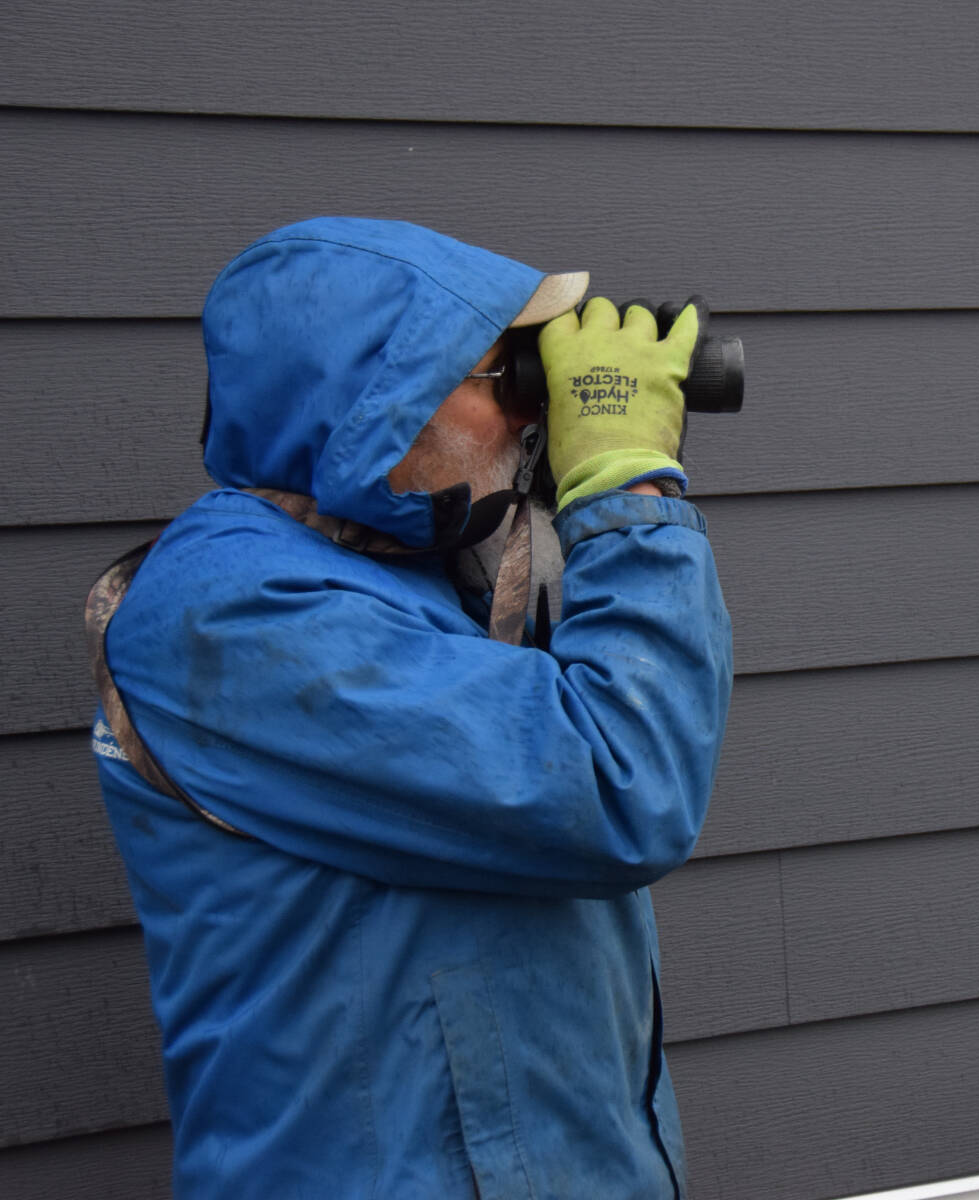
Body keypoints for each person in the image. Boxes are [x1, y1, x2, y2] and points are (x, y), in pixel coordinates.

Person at [85, 217, 733, 1198]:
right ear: (364, 396)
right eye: (500, 377)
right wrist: (626, 491)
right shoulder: (232, 615)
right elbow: (614, 788)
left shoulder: (416, 569)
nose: (530, 413)